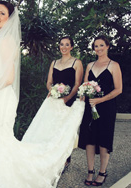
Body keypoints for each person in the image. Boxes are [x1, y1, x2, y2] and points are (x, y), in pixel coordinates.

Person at [0, 1, 85, 187]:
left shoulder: (6, 41)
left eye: (2, 13)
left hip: (2, 97)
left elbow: (9, 78)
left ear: (9, 18)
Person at [78, 35, 122, 186]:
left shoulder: (114, 65)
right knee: (89, 140)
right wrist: (83, 97)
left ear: (108, 46)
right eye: (96, 46)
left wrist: (100, 100)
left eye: (101, 45)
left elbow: (118, 89)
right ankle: (90, 171)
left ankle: (102, 172)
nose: (98, 49)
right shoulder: (90, 65)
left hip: (107, 108)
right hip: (89, 107)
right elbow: (85, 86)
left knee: (104, 140)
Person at [46, 36, 83, 173]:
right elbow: (49, 82)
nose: (64, 47)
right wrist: (52, 90)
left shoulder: (76, 63)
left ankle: (65, 160)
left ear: (71, 47)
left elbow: (77, 84)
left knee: (65, 130)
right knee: (52, 129)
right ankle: (52, 159)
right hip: (54, 100)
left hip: (69, 101)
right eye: (62, 44)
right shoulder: (54, 63)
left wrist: (66, 98)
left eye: (67, 44)